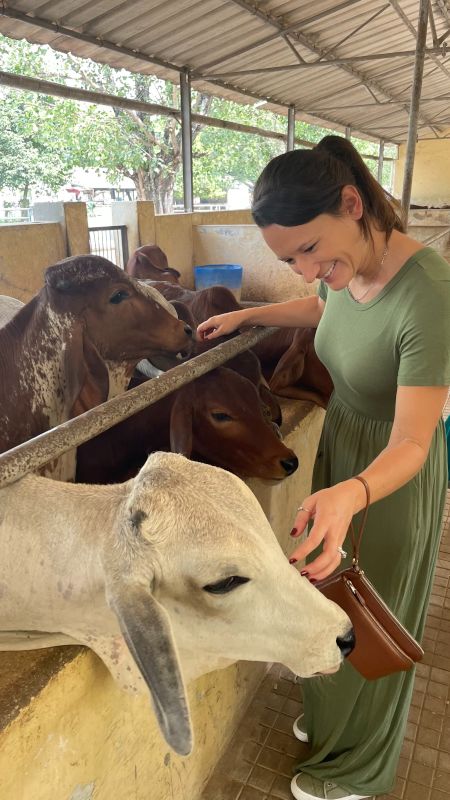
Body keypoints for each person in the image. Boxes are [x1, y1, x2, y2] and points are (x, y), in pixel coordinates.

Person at [197, 135, 450, 800]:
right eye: (289, 259)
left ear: (351, 202)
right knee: (328, 592)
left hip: (390, 474)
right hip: (344, 450)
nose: (307, 270)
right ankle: (333, 719)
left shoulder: (429, 294)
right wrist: (250, 315)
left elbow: (417, 444)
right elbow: (320, 308)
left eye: (309, 250)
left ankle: (359, 769)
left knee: (374, 611)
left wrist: (352, 495)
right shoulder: (344, 272)